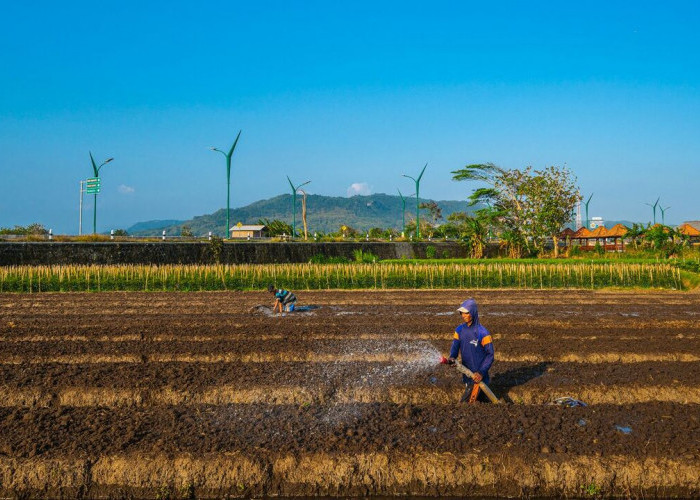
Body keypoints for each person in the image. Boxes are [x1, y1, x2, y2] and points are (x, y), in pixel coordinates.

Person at [447, 298, 495, 403]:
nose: (463, 315)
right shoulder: (459, 330)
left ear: (473, 312)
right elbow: (455, 348)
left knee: (465, 404)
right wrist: (452, 357)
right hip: (467, 374)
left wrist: (481, 372)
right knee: (480, 403)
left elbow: (490, 355)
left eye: (466, 313)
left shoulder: (483, 333)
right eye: (462, 313)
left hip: (478, 377)